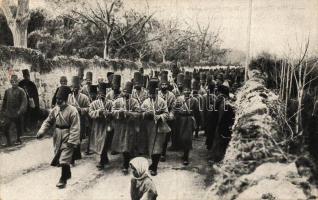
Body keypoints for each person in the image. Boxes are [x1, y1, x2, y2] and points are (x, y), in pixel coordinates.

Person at [36, 86, 80, 188]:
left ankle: (63, 179)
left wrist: (72, 140)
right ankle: (67, 173)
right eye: (57, 99)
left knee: (64, 158)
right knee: (59, 156)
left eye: (61, 99)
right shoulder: (55, 109)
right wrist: (41, 132)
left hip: (67, 135)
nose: (58, 101)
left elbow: (75, 127)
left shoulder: (73, 111)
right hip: (57, 135)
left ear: (65, 99)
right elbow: (48, 121)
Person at [141, 79, 169, 176]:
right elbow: (141, 113)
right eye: (150, 94)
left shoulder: (162, 101)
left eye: (153, 94)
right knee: (150, 147)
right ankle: (153, 163)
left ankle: (155, 167)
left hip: (159, 127)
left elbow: (166, 113)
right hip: (148, 128)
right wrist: (146, 114)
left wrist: (160, 116)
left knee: (157, 147)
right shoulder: (145, 102)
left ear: (156, 93)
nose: (152, 96)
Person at [111, 81, 140, 174]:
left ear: (130, 92)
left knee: (127, 145)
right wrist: (119, 112)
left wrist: (130, 113)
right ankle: (125, 161)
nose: (125, 93)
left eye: (127, 91)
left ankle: (126, 165)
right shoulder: (117, 101)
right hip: (120, 126)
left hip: (130, 126)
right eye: (124, 91)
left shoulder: (134, 101)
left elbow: (138, 113)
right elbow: (112, 111)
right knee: (121, 144)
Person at [173, 77, 200, 165]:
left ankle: (186, 156)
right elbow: (175, 109)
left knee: (187, 138)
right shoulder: (179, 99)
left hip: (189, 120)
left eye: (188, 90)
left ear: (191, 90)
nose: (187, 92)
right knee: (181, 137)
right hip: (180, 120)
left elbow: (197, 112)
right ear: (183, 91)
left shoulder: (194, 100)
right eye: (185, 90)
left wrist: (197, 123)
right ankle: (183, 153)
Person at [208, 83, 235, 164]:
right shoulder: (227, 99)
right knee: (218, 140)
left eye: (219, 92)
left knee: (219, 140)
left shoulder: (221, 100)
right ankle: (215, 157)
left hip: (221, 122)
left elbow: (218, 112)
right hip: (223, 122)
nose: (218, 94)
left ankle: (216, 158)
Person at [89, 83, 113, 170]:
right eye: (100, 94)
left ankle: (102, 162)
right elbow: (90, 113)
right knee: (100, 142)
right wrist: (99, 112)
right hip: (98, 126)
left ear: (106, 94)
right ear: (98, 94)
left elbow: (113, 113)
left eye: (104, 94)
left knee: (105, 142)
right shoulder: (94, 103)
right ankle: (105, 158)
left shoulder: (110, 103)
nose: (102, 96)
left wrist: (109, 113)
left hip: (107, 126)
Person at [68, 76, 90, 165]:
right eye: (73, 87)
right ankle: (73, 158)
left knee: (79, 138)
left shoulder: (84, 97)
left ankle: (76, 154)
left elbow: (89, 108)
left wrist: (80, 110)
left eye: (76, 88)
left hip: (81, 120)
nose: (74, 89)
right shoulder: (68, 97)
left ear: (79, 87)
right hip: (71, 121)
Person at [1, 75, 28, 146]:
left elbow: (24, 102)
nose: (14, 83)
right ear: (10, 82)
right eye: (12, 82)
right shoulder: (7, 91)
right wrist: (3, 111)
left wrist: (20, 110)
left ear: (18, 82)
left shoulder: (21, 91)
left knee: (18, 127)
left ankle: (19, 140)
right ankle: (8, 141)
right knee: (5, 127)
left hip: (17, 112)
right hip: (9, 113)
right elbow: (4, 101)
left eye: (15, 81)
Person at [158, 72, 176, 162]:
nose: (164, 86)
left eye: (165, 84)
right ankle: (157, 151)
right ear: (160, 85)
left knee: (166, 136)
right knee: (159, 136)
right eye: (162, 84)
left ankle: (163, 153)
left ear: (168, 85)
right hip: (159, 117)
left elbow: (173, 106)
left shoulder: (172, 95)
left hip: (168, 117)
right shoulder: (157, 94)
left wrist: (172, 114)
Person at [132, 72, 148, 155]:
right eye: (136, 83)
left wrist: (143, 110)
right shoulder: (131, 92)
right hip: (134, 115)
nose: (137, 84)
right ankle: (134, 148)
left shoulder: (146, 92)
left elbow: (148, 103)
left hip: (143, 115)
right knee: (134, 132)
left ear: (142, 83)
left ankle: (142, 149)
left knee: (142, 132)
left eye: (139, 83)